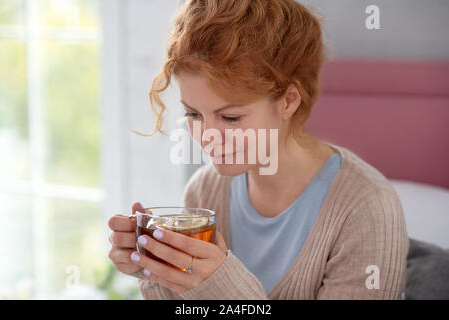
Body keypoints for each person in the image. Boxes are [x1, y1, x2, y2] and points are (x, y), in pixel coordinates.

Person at [108, 0, 409, 299]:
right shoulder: (206, 190)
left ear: (289, 101)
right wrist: (154, 269)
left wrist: (225, 289)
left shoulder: (366, 210)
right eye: (193, 114)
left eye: (230, 117)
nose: (208, 137)